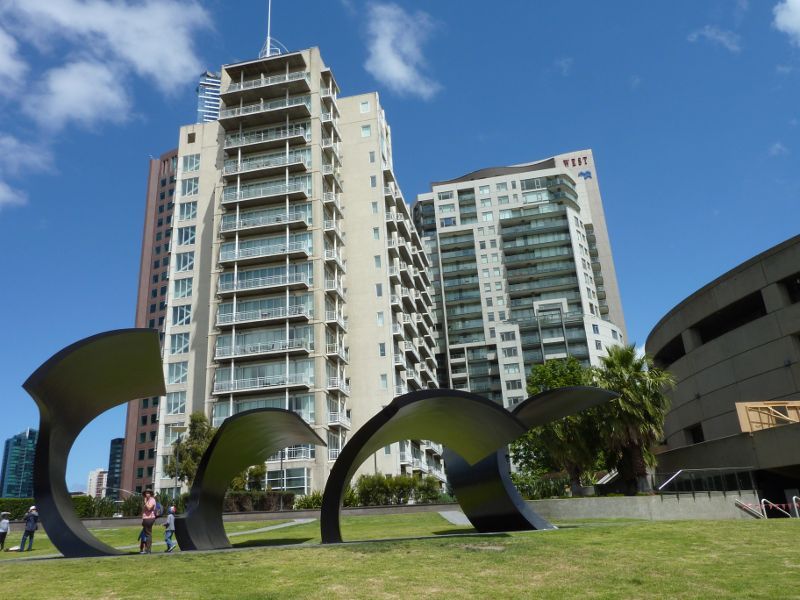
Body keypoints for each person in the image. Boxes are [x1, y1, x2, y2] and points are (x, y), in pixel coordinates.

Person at [140, 490, 157, 554]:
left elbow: (149, 508)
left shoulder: (152, 500)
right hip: (145, 519)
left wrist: (145, 502)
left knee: (148, 534)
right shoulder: (147, 500)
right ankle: (146, 549)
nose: (147, 494)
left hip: (149, 518)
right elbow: (144, 511)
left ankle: (148, 550)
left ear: (150, 494)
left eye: (148, 493)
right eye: (146, 493)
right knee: (147, 534)